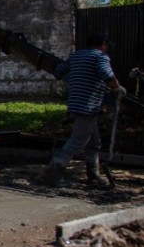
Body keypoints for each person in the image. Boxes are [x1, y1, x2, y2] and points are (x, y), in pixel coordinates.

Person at [41, 33, 126, 187]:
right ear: (102, 45)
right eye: (106, 46)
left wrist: (78, 79)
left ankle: (94, 176)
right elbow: (107, 74)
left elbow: (59, 71)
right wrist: (117, 87)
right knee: (78, 141)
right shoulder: (100, 57)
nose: (106, 49)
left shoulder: (76, 56)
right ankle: (53, 171)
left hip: (76, 103)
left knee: (94, 142)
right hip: (89, 105)